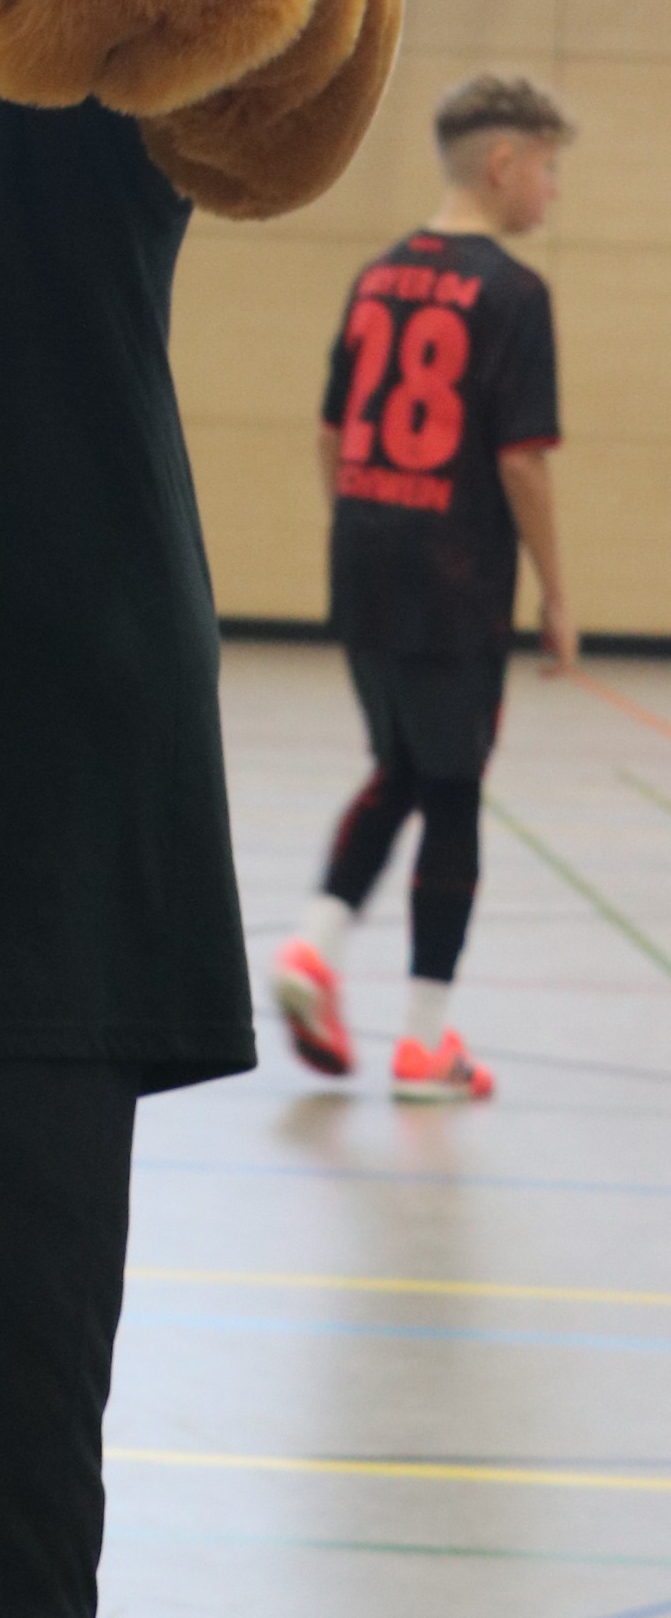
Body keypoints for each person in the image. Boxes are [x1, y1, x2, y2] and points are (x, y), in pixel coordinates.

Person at [272, 69, 575, 1103]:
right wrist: (558, 595)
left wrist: (359, 525)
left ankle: (311, 948)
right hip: (454, 577)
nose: (551, 191)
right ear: (500, 163)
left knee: (399, 765)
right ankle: (422, 1041)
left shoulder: (375, 273)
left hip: (362, 552)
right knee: (449, 791)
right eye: (545, 167)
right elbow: (521, 464)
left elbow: (326, 429)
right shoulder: (512, 295)